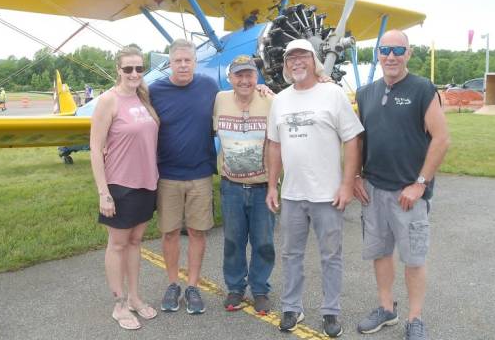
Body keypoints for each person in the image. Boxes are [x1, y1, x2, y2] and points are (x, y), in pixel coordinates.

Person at [354, 30, 450, 340]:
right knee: (381, 253)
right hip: (374, 189)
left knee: (414, 259)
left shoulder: (423, 89)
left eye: (399, 49)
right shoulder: (365, 92)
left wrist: (420, 183)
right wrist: (356, 176)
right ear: (378, 54)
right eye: (385, 49)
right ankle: (386, 309)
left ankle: (415, 318)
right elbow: (359, 139)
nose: (391, 56)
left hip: (408, 193)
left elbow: (441, 138)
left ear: (409, 54)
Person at [266, 38, 364, 337]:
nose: (297, 62)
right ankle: (292, 307)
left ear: (313, 61)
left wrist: (347, 184)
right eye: (290, 58)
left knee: (330, 255)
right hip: (292, 194)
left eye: (302, 57)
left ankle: (331, 311)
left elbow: (353, 139)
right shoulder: (280, 100)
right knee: (290, 254)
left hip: (328, 194)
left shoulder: (332, 94)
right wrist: (272, 185)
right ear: (285, 65)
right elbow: (274, 144)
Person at [90, 46, 160, 330]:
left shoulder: (144, 98)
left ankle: (134, 297)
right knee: (117, 244)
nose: (134, 74)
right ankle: (119, 305)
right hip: (120, 184)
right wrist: (103, 192)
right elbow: (95, 149)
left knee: (135, 242)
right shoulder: (109, 100)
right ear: (118, 70)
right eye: (128, 68)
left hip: (147, 183)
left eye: (139, 68)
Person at [149, 38, 218, 315]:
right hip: (167, 175)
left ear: (195, 62)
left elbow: (238, 96)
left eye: (187, 60)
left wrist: (263, 89)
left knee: (198, 232)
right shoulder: (155, 90)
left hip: (200, 173)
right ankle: (173, 283)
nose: (183, 65)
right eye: (177, 61)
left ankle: (192, 286)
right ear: (170, 63)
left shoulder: (209, 87)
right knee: (169, 233)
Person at [213, 55, 275, 315]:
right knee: (233, 241)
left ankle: (260, 290)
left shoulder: (271, 100)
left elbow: (276, 144)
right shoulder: (220, 99)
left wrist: (274, 186)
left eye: (249, 74)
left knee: (263, 242)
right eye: (239, 75)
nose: (244, 80)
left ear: (257, 77)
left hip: (263, 186)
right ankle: (236, 288)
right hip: (231, 187)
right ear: (230, 78)